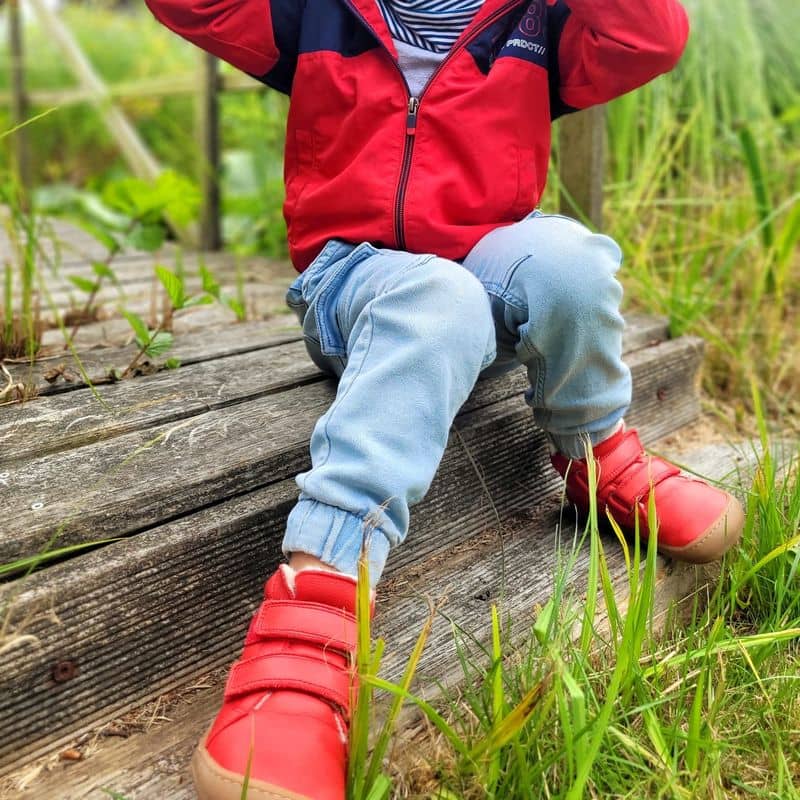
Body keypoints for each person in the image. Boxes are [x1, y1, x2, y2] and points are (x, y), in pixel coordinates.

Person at [145, 2, 745, 798]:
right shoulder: (314, 12)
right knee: (438, 298)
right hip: (353, 282)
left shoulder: (538, 21)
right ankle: (318, 590)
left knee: (569, 261)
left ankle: (596, 455)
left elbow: (649, 36)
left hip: (490, 264)